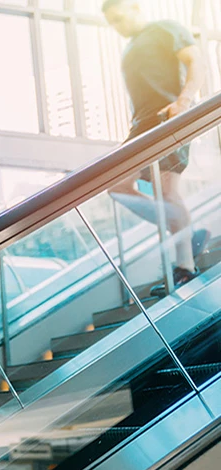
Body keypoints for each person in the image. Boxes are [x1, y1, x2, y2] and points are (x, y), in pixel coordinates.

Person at [102, 0, 209, 293]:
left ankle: (185, 265)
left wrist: (184, 101)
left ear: (136, 7)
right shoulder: (130, 48)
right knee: (116, 184)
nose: (119, 26)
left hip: (167, 120)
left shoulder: (165, 28)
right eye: (113, 23)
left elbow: (196, 61)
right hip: (140, 129)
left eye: (121, 17)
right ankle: (184, 232)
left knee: (167, 189)